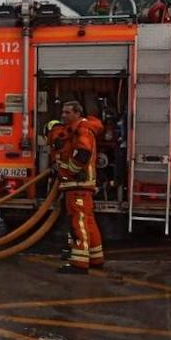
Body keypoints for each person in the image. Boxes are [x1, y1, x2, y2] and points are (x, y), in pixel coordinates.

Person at [53, 100, 105, 273]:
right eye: (63, 112)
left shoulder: (81, 130)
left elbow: (83, 153)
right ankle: (96, 258)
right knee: (88, 221)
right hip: (80, 185)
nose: (63, 115)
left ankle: (79, 264)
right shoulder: (77, 129)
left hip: (77, 185)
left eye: (67, 112)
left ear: (77, 113)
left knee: (78, 223)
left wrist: (69, 171)